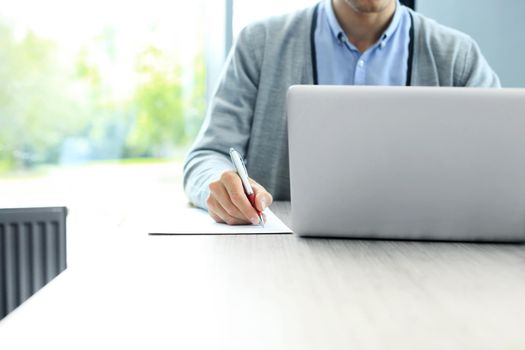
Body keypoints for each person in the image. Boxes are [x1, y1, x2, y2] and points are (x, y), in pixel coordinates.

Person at [183, 0, 500, 225]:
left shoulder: (459, 56)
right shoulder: (260, 43)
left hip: (429, 263)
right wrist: (219, 183)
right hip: (281, 260)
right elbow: (208, 155)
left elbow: (503, 164)